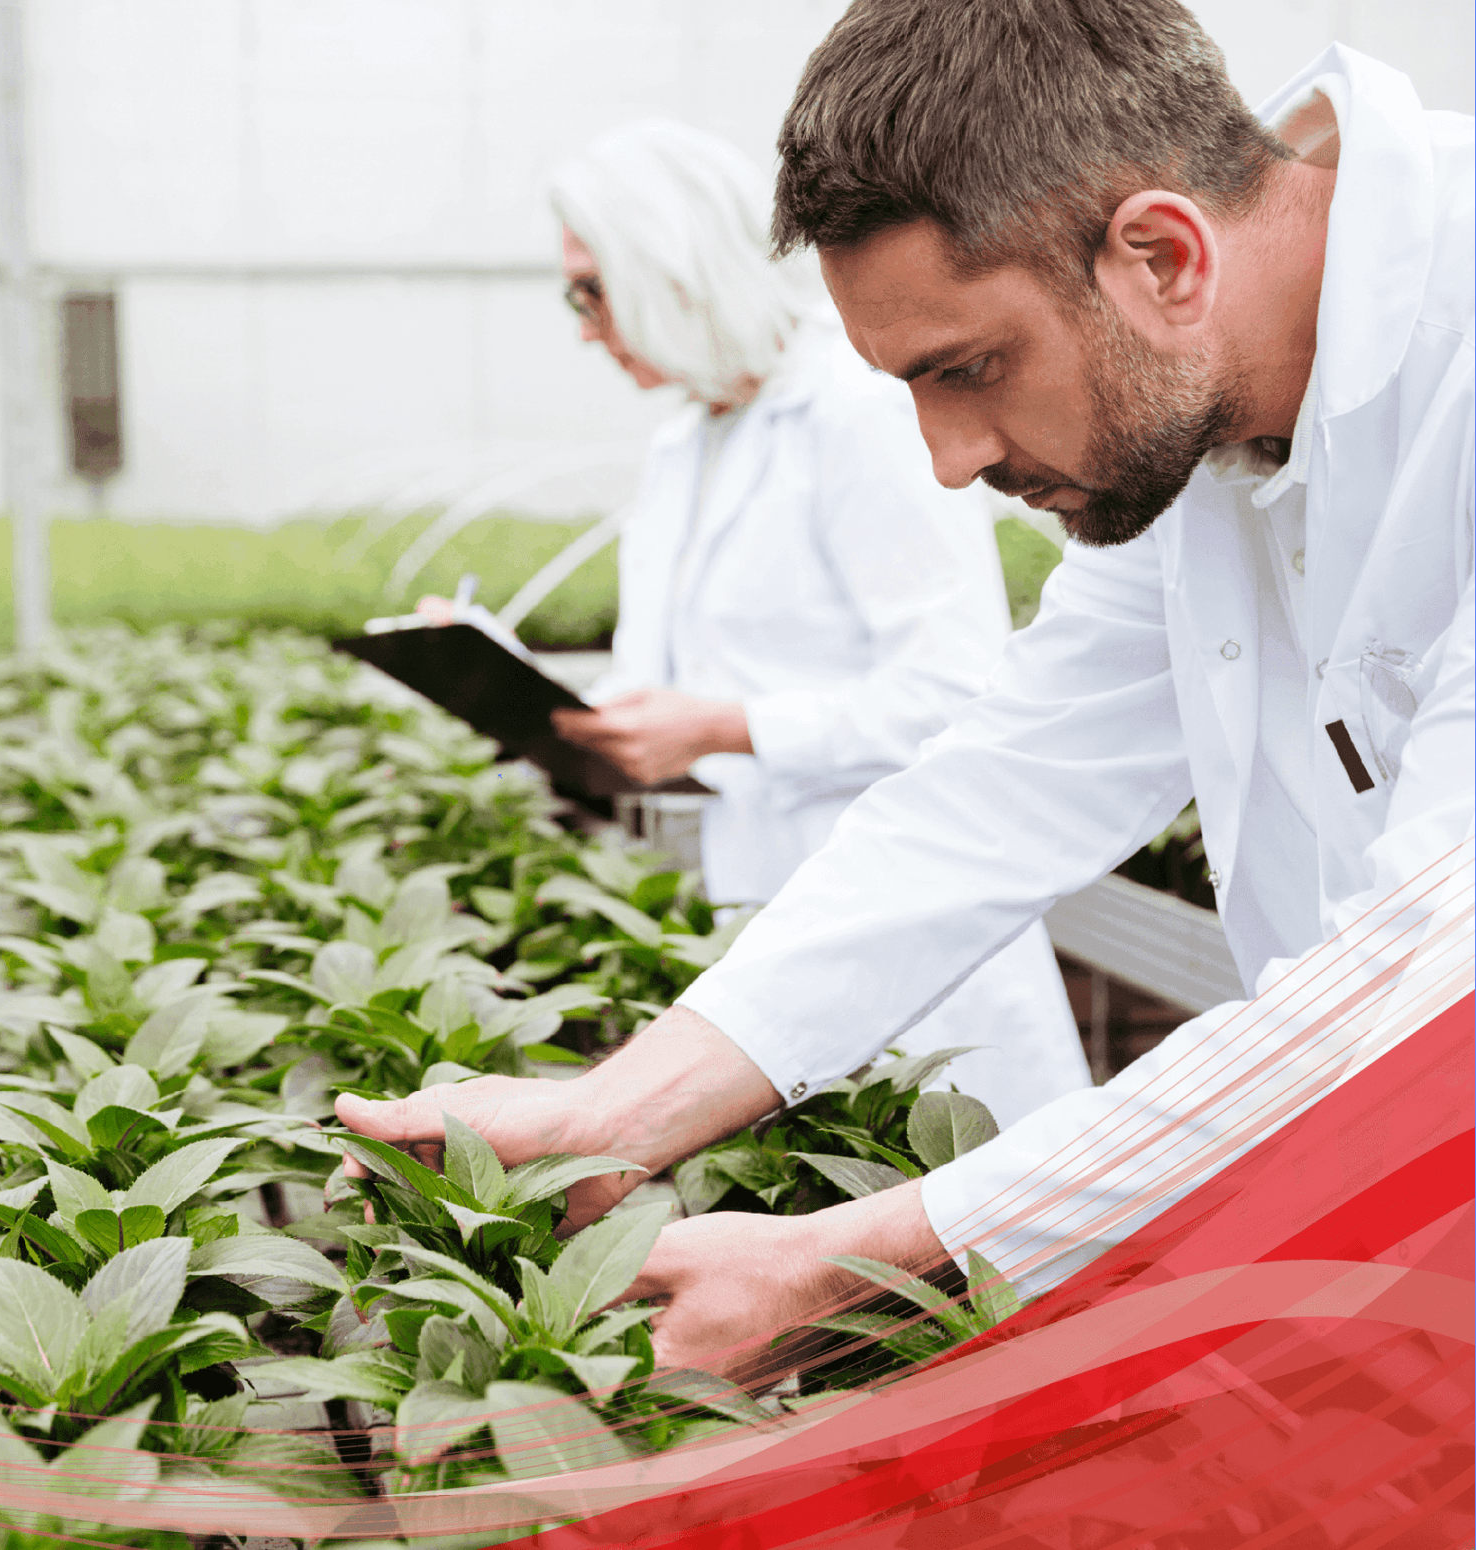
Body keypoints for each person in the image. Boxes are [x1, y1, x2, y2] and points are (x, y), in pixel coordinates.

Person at [338, 0, 1473, 1383]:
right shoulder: (1196, 408)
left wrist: (855, 1258)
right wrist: (619, 1107)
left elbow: (1420, 989)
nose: (945, 459)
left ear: (1164, 257)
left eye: (967, 370)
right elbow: (997, 782)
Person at [437, 120, 1090, 1126]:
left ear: (670, 268)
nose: (581, 325)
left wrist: (718, 727)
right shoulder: (685, 445)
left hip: (906, 915)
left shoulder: (859, 410)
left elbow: (954, 690)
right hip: (763, 915)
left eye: (589, 289)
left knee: (961, 1238)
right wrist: (510, 683)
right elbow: (672, 681)